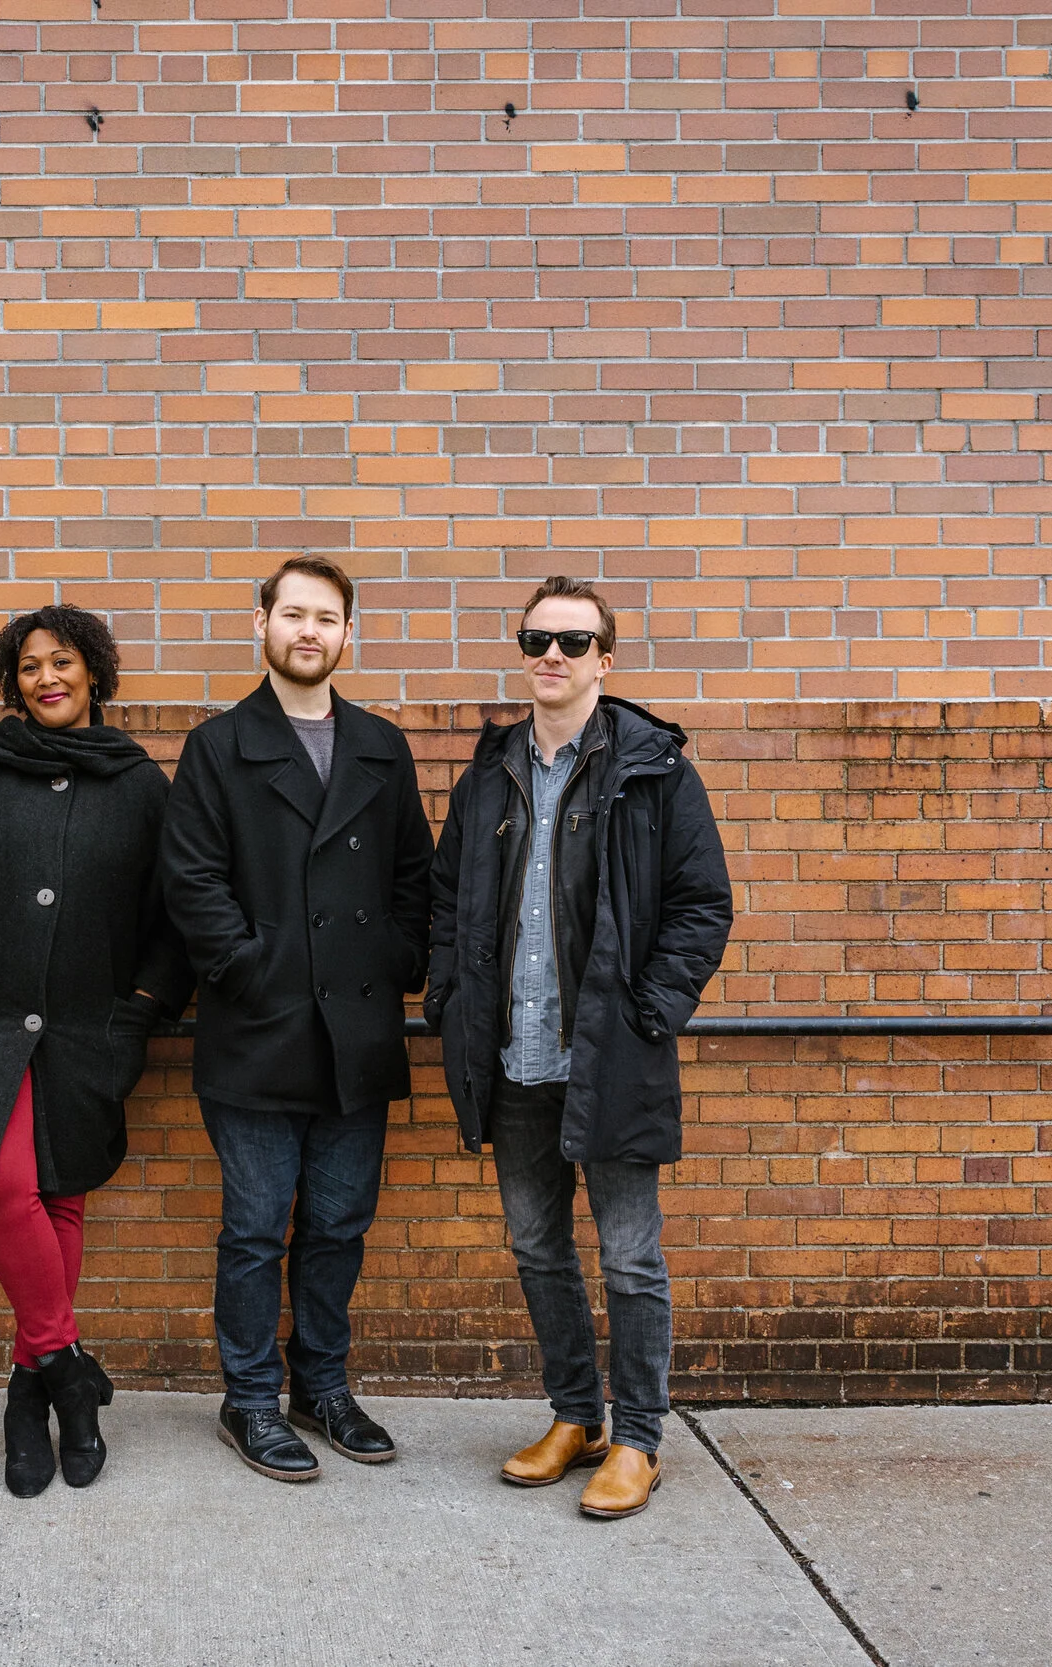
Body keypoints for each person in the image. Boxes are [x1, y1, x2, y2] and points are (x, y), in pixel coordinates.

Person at [424, 576, 732, 1520]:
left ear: (606, 657)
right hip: (512, 1055)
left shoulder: (656, 770)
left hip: (609, 1052)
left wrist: (652, 1010)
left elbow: (701, 905)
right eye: (535, 639)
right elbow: (447, 899)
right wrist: (447, 997)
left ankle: (637, 1435)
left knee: (631, 1257)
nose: (550, 655)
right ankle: (574, 1416)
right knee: (537, 1246)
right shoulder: (489, 775)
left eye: (572, 640)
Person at [0, 606, 194, 1497]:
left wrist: (141, 1008)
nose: (46, 677)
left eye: (62, 661)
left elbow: (176, 913)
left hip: (88, 1029)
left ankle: (30, 1393)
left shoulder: (143, 785)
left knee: (60, 1194)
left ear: (94, 671)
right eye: (29, 667)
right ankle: (69, 1366)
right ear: (11, 681)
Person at [159, 555, 435, 1482]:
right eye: (293, 615)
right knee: (254, 1227)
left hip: (358, 1027)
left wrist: (395, 960)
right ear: (263, 625)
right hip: (258, 1028)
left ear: (347, 634)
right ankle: (248, 1399)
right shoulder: (219, 745)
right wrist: (251, 969)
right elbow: (190, 883)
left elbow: (414, 880)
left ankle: (322, 1384)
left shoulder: (382, 746)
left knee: (340, 1223)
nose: (308, 631)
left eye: (326, 617)